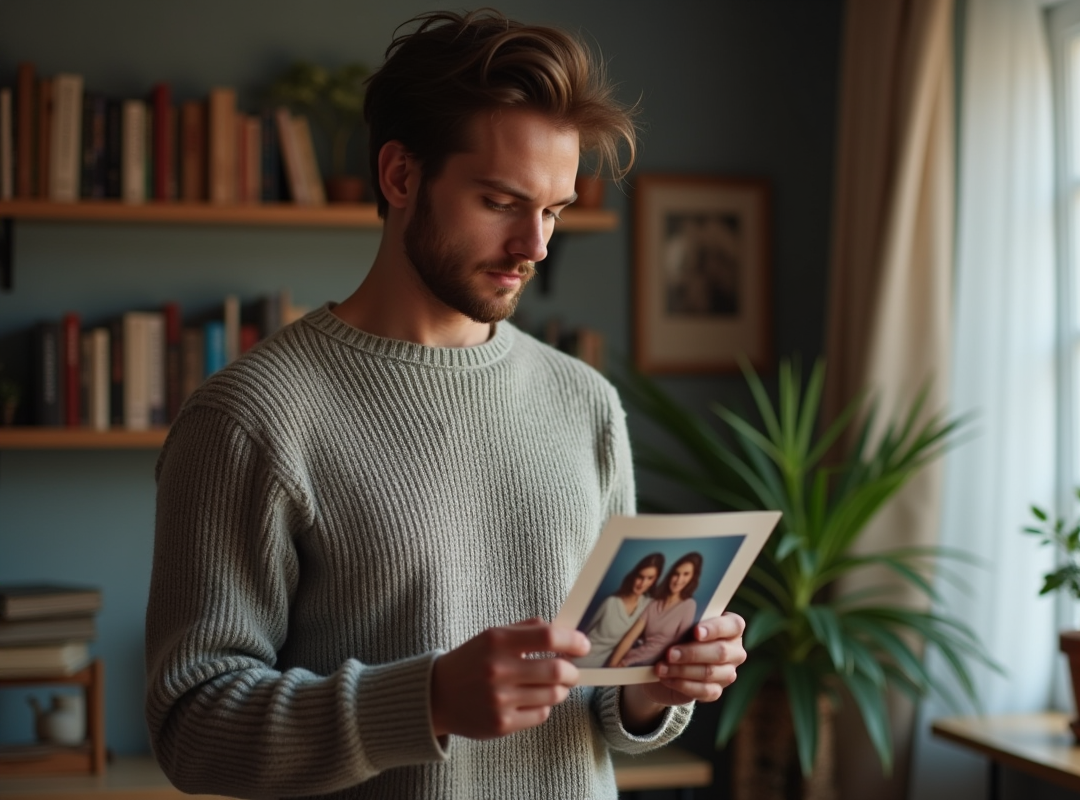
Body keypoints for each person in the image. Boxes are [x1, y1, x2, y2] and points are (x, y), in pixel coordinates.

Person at [143, 9, 748, 800]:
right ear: (400, 177)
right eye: (501, 201)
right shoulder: (251, 418)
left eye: (555, 211)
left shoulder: (585, 402)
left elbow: (598, 700)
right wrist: (424, 700)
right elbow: (192, 728)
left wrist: (651, 689)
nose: (535, 245)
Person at [609, 553, 703, 668]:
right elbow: (630, 637)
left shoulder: (689, 605)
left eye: (686, 574)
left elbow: (680, 646)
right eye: (676, 574)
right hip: (631, 660)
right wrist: (613, 666)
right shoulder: (653, 604)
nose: (679, 580)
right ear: (670, 575)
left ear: (692, 578)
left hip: (652, 666)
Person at [576, 553, 664, 668]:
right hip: (582, 658)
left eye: (650, 578)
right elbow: (585, 632)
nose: (642, 584)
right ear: (633, 576)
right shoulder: (610, 602)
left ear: (655, 580)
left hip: (605, 665)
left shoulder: (648, 604)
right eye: (640, 577)